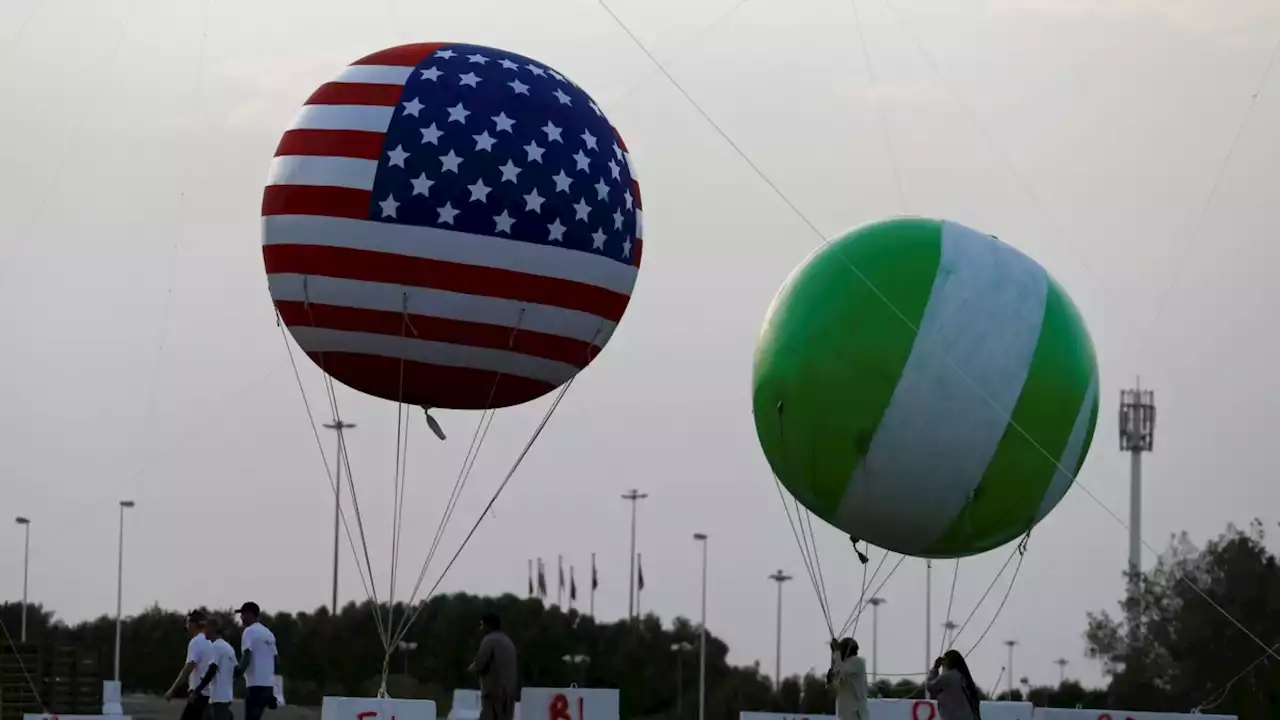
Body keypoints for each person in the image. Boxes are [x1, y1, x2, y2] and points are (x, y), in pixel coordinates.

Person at [164, 610, 214, 720]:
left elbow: (188, 667)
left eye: (187, 622)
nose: (186, 626)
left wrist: (173, 689)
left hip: (198, 694)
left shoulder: (196, 642)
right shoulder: (210, 642)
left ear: (193, 624)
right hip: (210, 693)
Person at [467, 612, 517, 720]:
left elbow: (480, 663)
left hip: (493, 691)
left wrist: (471, 668)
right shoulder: (508, 641)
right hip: (509, 691)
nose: (480, 628)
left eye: (482, 625)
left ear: (488, 625)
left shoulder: (489, 640)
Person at [235, 602, 278, 720]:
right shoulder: (268, 633)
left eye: (243, 614)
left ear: (250, 614)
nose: (241, 618)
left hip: (255, 685)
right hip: (268, 686)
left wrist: (236, 673)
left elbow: (246, 656)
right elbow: (275, 659)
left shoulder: (249, 632)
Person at [192, 617, 238, 720]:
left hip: (218, 697)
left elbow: (212, 670)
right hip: (226, 695)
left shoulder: (216, 647)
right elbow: (236, 670)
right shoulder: (228, 647)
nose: (203, 631)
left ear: (211, 629)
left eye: (205, 628)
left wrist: (197, 691)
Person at [926, 650, 983, 720]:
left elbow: (930, 686)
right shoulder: (963, 676)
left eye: (944, 660)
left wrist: (935, 668)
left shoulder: (948, 677)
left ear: (949, 662)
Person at [825, 638, 869, 720]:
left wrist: (836, 652)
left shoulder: (857, 661)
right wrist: (829, 680)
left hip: (855, 714)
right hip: (846, 715)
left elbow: (839, 670)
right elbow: (833, 686)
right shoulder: (844, 665)